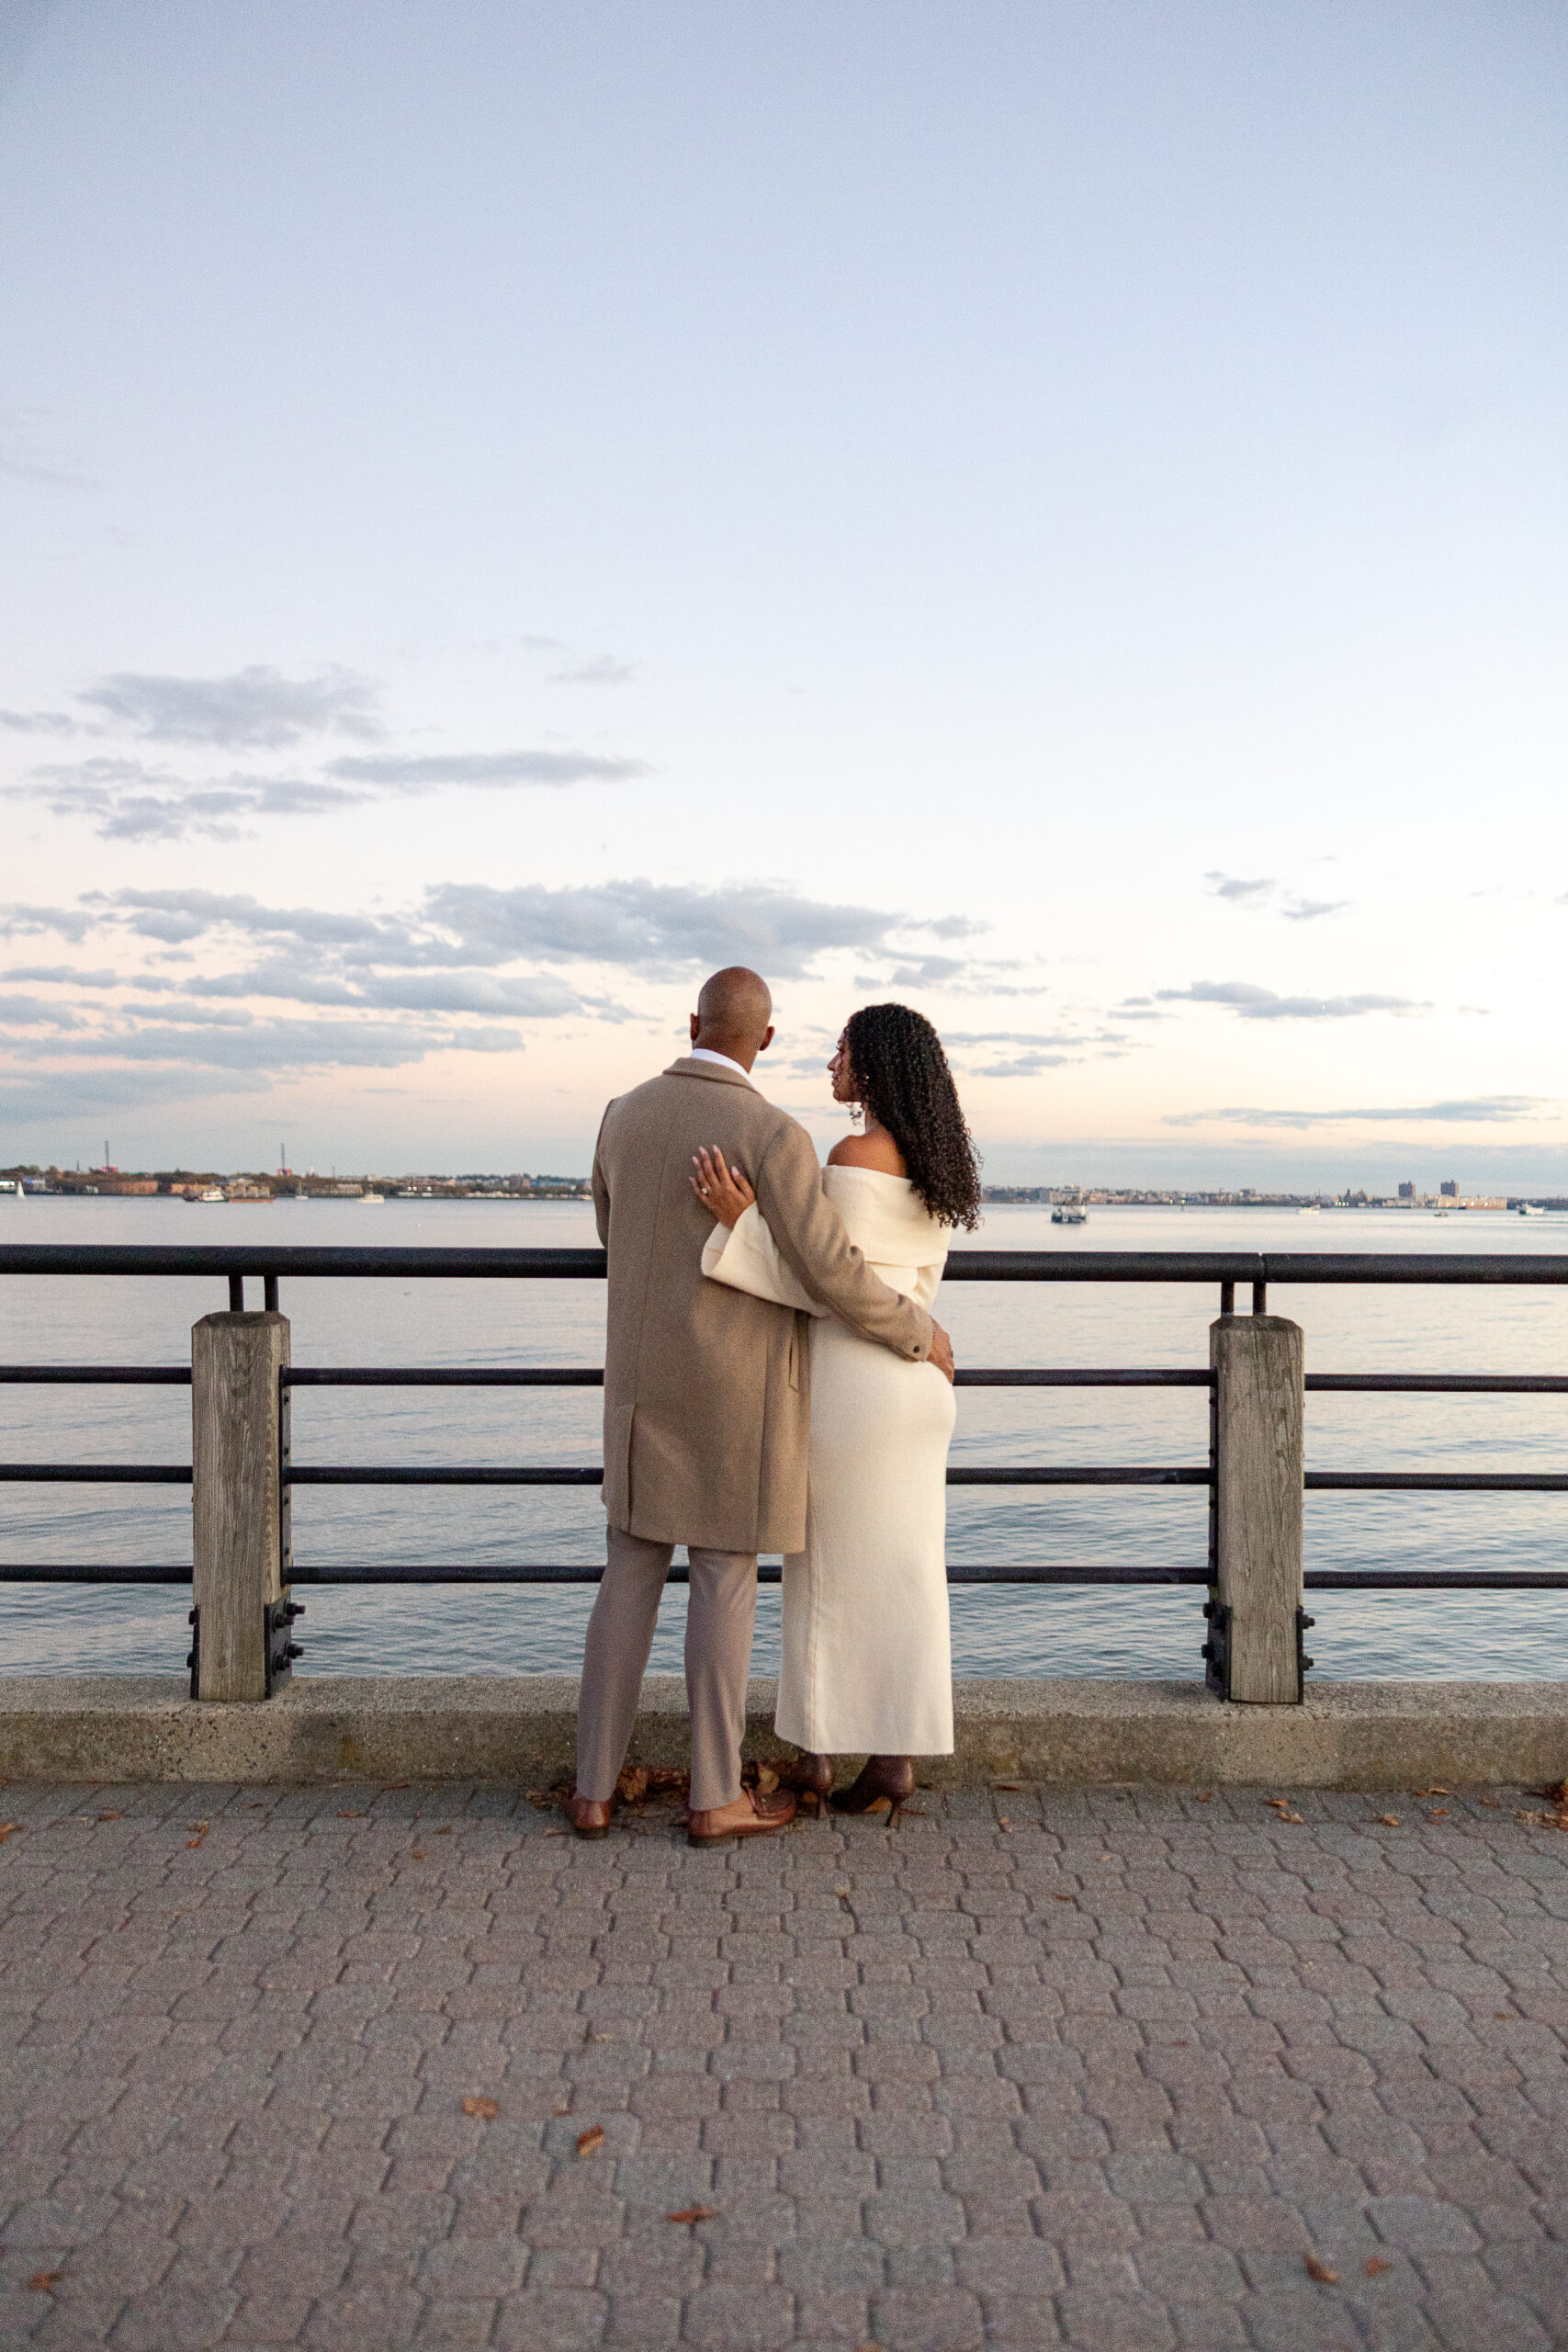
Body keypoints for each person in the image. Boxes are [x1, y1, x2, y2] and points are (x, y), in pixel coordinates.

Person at [566, 967, 956, 1848]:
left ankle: (592, 1791)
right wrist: (916, 1329)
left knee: (626, 1577)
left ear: (691, 1021)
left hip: (635, 1390)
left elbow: (610, 1231)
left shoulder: (618, 1116)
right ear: (766, 1040)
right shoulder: (773, 1133)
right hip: (738, 1392)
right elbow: (827, 1271)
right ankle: (714, 1798)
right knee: (722, 1582)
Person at [691, 1002, 980, 1821]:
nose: (830, 1064)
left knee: (822, 1570)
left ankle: (816, 1757)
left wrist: (740, 1226)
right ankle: (889, 1761)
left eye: (843, 1052)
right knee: (903, 1573)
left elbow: (828, 1281)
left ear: (875, 1067)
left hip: (861, 1382)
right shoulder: (938, 1164)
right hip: (917, 1387)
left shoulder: (854, 1153)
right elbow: (872, 1279)